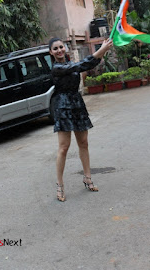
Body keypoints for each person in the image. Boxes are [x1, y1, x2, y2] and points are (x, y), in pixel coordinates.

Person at [49, 37, 113, 201]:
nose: (59, 50)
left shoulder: (71, 63)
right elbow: (80, 65)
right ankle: (60, 185)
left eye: (61, 47)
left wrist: (103, 51)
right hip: (62, 106)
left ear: (65, 48)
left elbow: (88, 64)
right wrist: (101, 50)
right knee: (64, 147)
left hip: (77, 104)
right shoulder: (57, 67)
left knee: (83, 143)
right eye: (55, 49)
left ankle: (87, 177)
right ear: (51, 52)